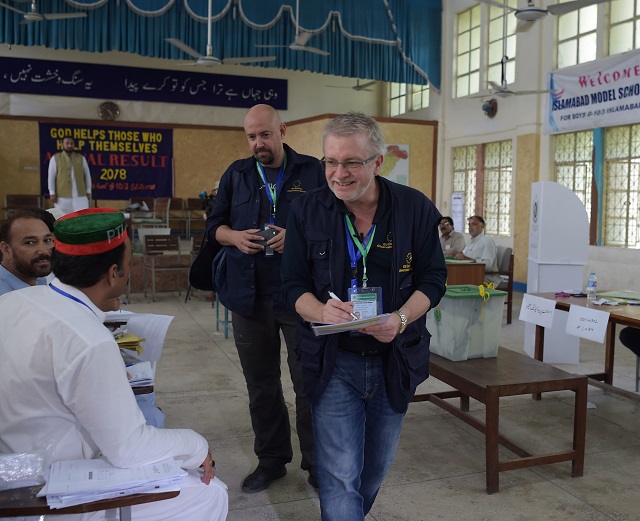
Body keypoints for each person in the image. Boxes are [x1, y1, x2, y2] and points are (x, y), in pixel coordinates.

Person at [0, 208, 228, 521]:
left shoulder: (14, 301)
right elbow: (129, 448)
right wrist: (196, 444)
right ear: (112, 273)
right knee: (208, 492)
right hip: (51, 491)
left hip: (12, 472)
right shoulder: (88, 339)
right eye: (129, 262)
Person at [280, 111, 447, 520]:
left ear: (378, 162)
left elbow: (433, 279)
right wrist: (321, 310)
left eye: (351, 162)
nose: (338, 174)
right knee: (338, 475)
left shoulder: (414, 209)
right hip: (333, 362)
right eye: (330, 161)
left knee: (372, 472)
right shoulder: (306, 211)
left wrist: (402, 319)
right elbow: (291, 287)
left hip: (396, 359)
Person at [206, 103, 325, 492]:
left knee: (308, 382)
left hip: (300, 295)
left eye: (265, 134)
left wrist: (297, 235)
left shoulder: (313, 172)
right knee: (261, 383)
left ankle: (317, 465)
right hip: (248, 294)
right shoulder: (237, 174)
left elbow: (334, 220)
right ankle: (272, 460)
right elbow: (214, 227)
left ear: (282, 131)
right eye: (251, 136)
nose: (258, 143)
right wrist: (235, 237)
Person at [0, 208, 54, 295]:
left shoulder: (41, 282)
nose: (43, 251)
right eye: (30, 242)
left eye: (47, 240)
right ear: (6, 249)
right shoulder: (4, 297)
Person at [48, 136, 92, 215]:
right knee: (62, 218)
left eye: (71, 143)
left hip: (80, 196)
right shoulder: (55, 158)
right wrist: (52, 193)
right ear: (62, 145)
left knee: (82, 218)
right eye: (67, 143)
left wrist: (88, 191)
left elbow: (87, 175)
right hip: (62, 197)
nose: (69, 145)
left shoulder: (81, 158)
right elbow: (51, 177)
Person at [455, 215, 501, 285]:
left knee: (456, 279)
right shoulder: (470, 241)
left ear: (482, 227)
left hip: (487, 277)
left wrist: (467, 259)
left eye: (474, 224)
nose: (470, 227)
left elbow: (488, 265)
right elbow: (464, 256)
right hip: (471, 273)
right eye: (469, 224)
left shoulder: (487, 241)